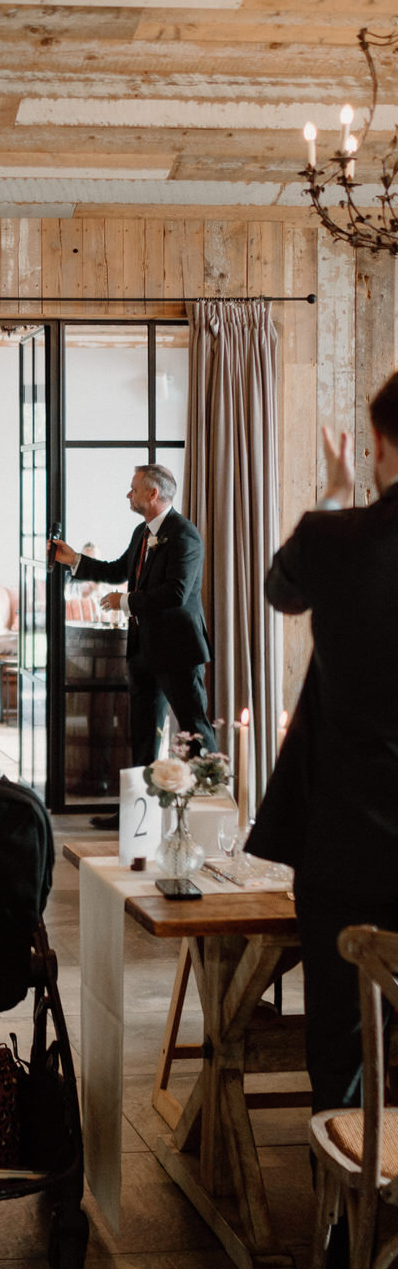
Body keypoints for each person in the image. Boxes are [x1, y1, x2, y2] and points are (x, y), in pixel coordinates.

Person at [248, 375, 398, 1114]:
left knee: (339, 1040)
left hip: (346, 843)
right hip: (347, 839)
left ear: (377, 445)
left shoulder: (334, 538)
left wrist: (335, 502)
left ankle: (344, 1217)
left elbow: (281, 592)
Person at [51, 464, 216, 823]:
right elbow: (116, 570)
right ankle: (135, 815)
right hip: (142, 650)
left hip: (177, 651)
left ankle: (212, 810)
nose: (129, 495)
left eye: (134, 489)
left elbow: (175, 594)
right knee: (141, 735)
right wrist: (73, 560)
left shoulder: (185, 535)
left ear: (153, 494)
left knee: (194, 729)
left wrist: (125, 602)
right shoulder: (142, 532)